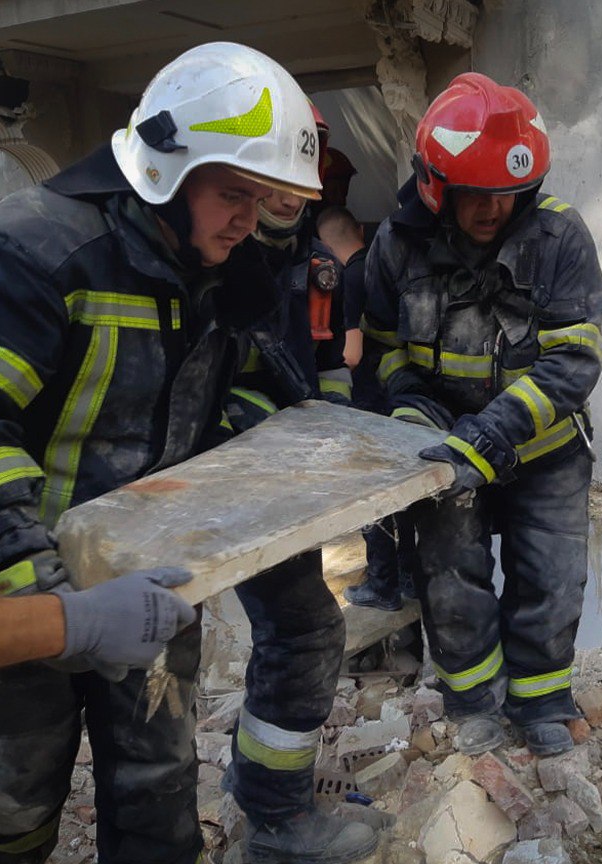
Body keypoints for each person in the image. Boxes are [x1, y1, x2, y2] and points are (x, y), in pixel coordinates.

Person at [0, 42, 322, 864]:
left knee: (158, 790)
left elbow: (250, 384)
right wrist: (38, 592)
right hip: (8, 576)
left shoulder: (220, 269)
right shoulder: (35, 248)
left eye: (262, 199)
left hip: (149, 583)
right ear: (165, 170)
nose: (249, 219)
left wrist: (223, 486)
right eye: (233, 193)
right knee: (19, 798)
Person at [361, 73, 602, 758]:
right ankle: (473, 702)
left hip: (543, 450)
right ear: (435, 184)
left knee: (550, 580)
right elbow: (380, 349)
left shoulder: (559, 236)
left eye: (508, 192)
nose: (494, 208)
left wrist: (491, 433)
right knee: (451, 580)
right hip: (444, 449)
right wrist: (410, 407)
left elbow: (573, 362)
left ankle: (541, 703)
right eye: (476, 192)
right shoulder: (397, 244)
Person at [219, 124, 379, 864]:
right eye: (270, 181)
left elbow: (329, 365)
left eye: (299, 182)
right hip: (226, 483)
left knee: (292, 630)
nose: (286, 197)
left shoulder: (318, 268)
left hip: (288, 485)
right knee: (306, 629)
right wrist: (274, 431)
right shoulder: (221, 259)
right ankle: (275, 819)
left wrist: (332, 434)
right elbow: (213, 385)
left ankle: (257, 788)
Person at [0, 500, 197, 864]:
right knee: (16, 791)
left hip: (133, 546)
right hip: (2, 560)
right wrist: (74, 622)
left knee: (158, 782)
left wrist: (7, 586)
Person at [317, 205, 418, 612]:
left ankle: (382, 585)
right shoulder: (383, 268)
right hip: (403, 399)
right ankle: (409, 576)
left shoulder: (347, 278)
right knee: (405, 497)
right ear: (359, 229)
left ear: (324, 246)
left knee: (372, 498)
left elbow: (353, 353)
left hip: (369, 402)